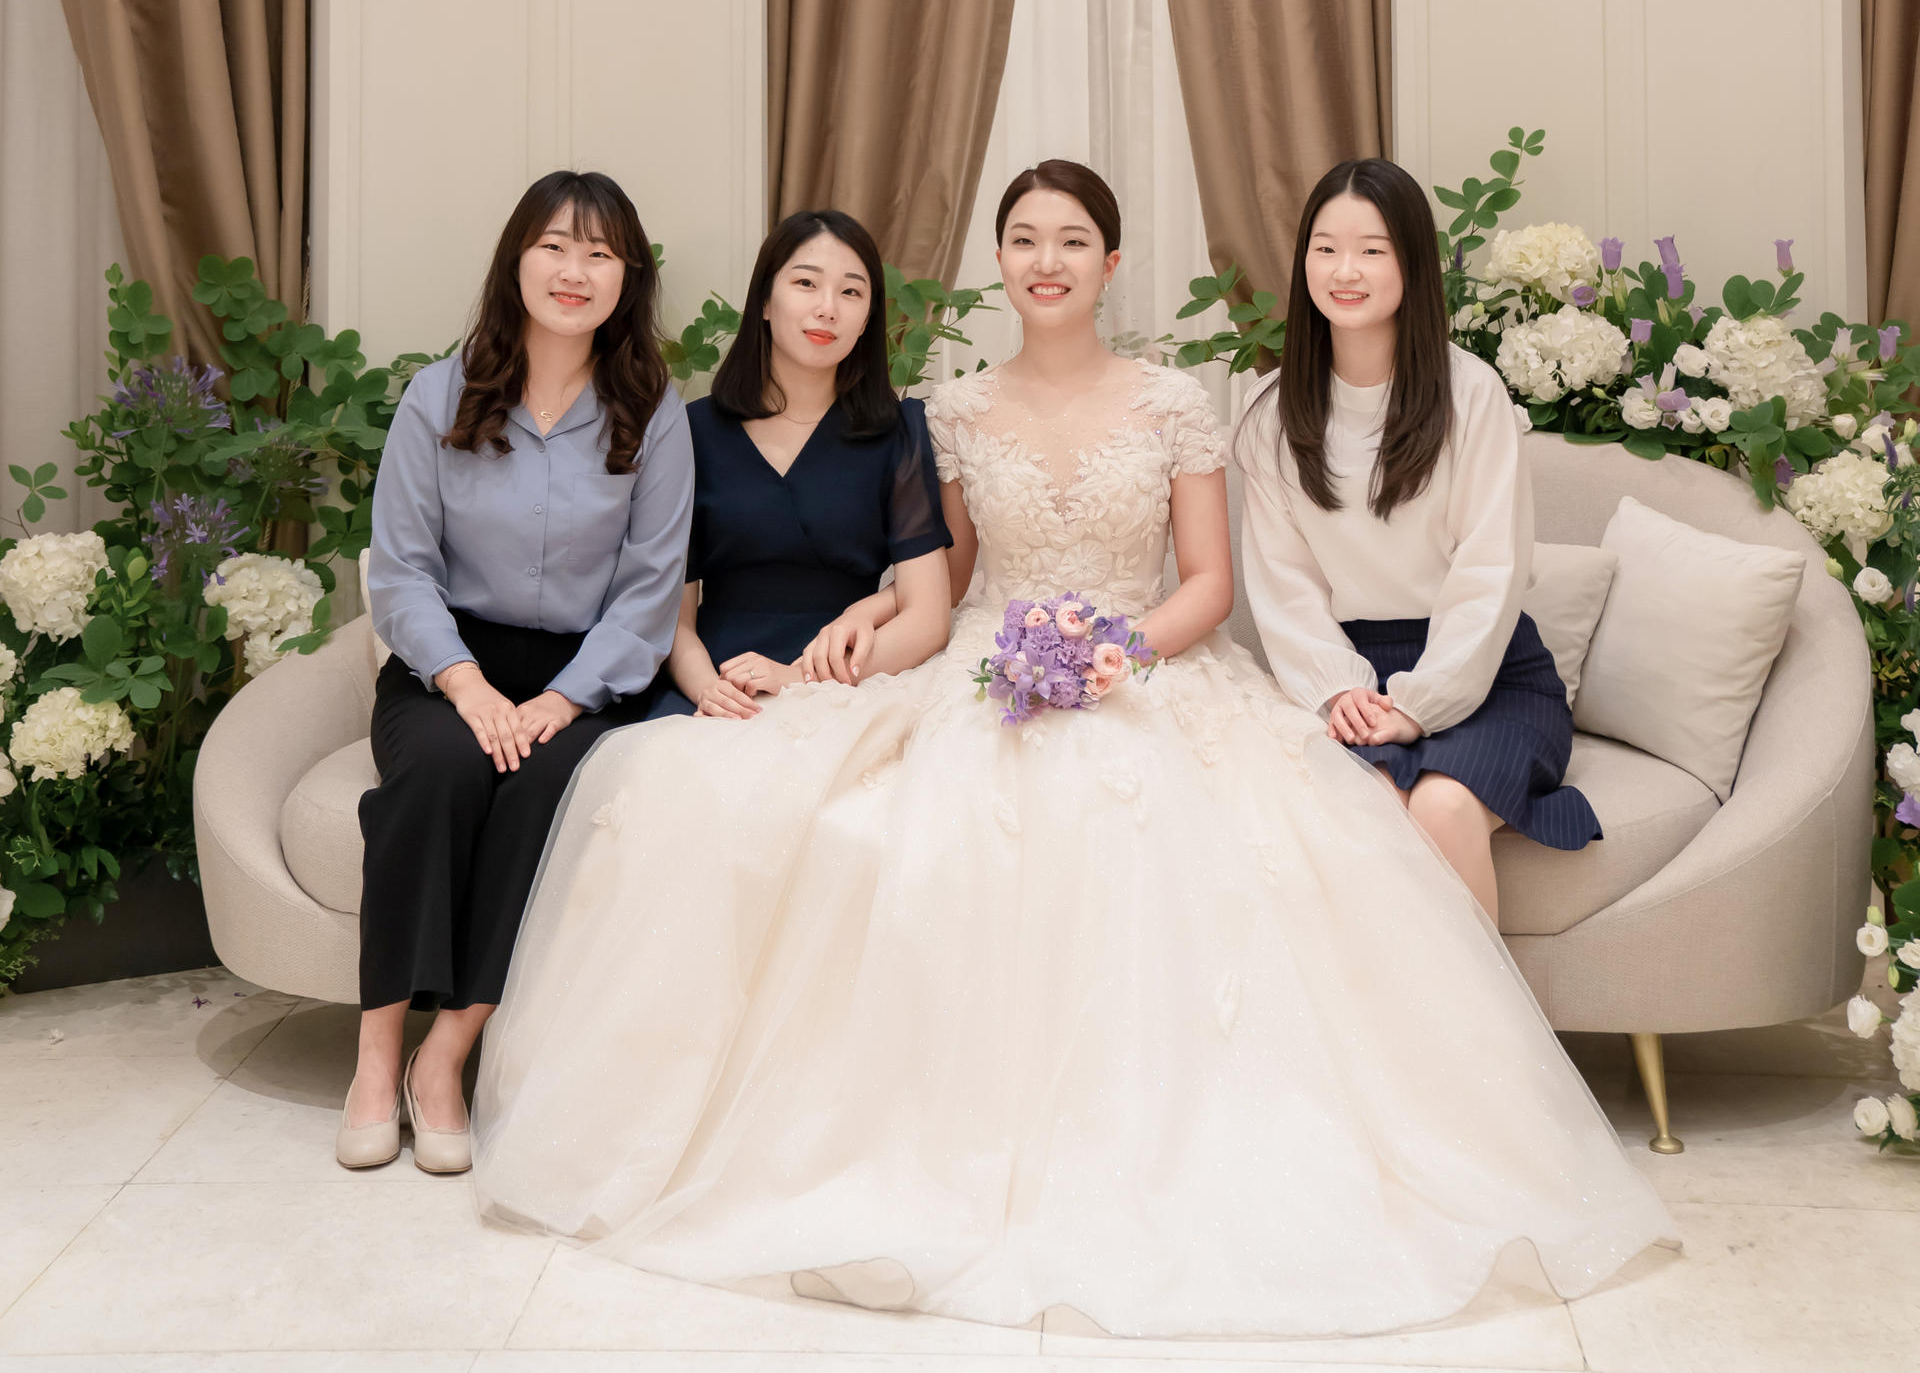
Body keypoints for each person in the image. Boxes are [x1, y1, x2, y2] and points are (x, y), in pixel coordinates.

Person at [471, 157, 1670, 1338]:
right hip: (986, 663)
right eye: (1025, 240)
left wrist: (1119, 654)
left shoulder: (1178, 404)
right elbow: (943, 580)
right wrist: (864, 627)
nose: (1047, 261)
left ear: (1110, 261)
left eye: (1072, 241)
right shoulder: (955, 411)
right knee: (859, 823)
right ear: (999, 260)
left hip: (1145, 661)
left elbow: (1210, 585)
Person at [338, 169, 693, 1174]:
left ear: (627, 278)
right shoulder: (438, 395)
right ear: (517, 261)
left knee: (546, 790)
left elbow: (652, 587)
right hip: (447, 664)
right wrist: (466, 684)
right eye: (554, 246)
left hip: (586, 677)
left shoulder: (654, 412)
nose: (575, 271)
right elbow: (401, 571)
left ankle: (443, 1059)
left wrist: (565, 698)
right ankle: (376, 1054)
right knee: (440, 773)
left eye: (600, 253)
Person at [1235, 157, 1598, 920]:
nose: (1345, 271)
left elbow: (1491, 571)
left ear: (1412, 263)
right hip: (1352, 675)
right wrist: (1340, 688)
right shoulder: (1271, 414)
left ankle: (1482, 1007)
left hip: (1487, 671)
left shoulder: (1472, 394)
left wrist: (1421, 702)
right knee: (1360, 802)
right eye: (1326, 249)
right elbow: (1284, 583)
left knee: (1441, 806)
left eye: (1372, 250)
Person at [650, 207, 951, 719]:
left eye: (851, 292)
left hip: (847, 687)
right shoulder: (691, 430)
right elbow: (672, 619)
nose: (827, 308)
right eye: (806, 283)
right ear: (765, 301)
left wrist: (799, 681)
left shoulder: (899, 431)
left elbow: (927, 619)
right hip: (716, 683)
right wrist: (708, 690)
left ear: (866, 320)